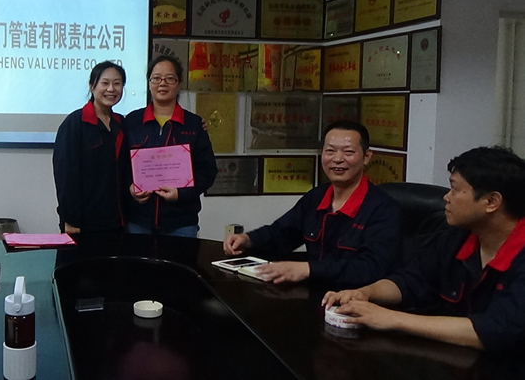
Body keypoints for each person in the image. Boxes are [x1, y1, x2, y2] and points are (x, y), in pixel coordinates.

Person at [322, 146, 525, 351]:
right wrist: (366, 292)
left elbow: (496, 331)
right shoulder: (457, 237)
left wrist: (391, 318)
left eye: (455, 189)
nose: (446, 197)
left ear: (491, 202)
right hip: (453, 357)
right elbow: (412, 280)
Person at [223, 120, 401, 287]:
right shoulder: (317, 197)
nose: (338, 159)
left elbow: (370, 269)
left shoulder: (383, 209)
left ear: (367, 157)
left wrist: (308, 269)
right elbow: (283, 233)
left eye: (348, 152)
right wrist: (247, 239)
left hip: (356, 300)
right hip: (315, 293)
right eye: (330, 151)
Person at [124, 55, 217, 237]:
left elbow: (208, 171)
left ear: (179, 84)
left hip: (181, 222)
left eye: (170, 79)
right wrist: (130, 188)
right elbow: (121, 166)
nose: (162, 83)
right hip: (139, 221)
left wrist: (182, 193)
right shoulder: (132, 122)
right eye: (156, 78)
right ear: (149, 83)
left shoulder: (194, 124)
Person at [53, 61, 128, 234]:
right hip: (83, 223)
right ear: (92, 86)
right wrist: (69, 219)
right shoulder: (75, 123)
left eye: (117, 84)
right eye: (105, 83)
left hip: (117, 221)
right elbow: (65, 176)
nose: (111, 89)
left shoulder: (121, 123)